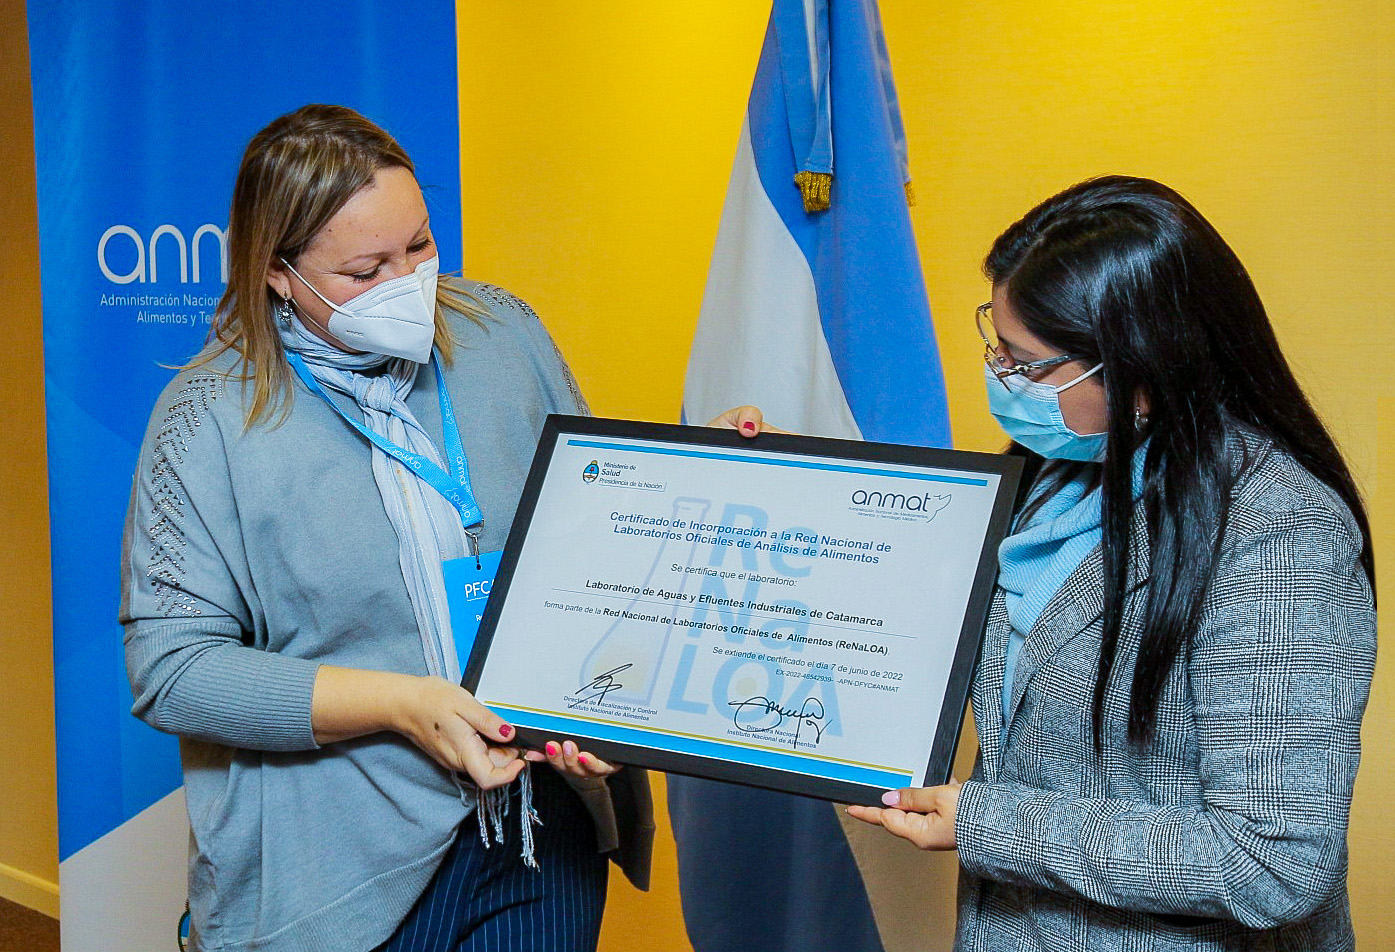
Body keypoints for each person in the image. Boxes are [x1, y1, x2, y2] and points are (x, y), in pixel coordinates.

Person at [120, 103, 755, 952]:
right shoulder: (204, 420)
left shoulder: (500, 331)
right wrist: (402, 704)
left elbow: (591, 525)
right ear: (277, 272)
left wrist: (695, 475)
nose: (407, 283)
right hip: (339, 866)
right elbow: (174, 671)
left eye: (418, 245)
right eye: (363, 269)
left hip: (543, 826)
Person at [848, 175, 1376, 951]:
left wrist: (991, 821)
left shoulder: (1276, 532)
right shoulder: (1052, 475)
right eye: (995, 345)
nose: (999, 377)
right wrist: (741, 469)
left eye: (1028, 366)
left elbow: (1272, 862)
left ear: (1141, 367)